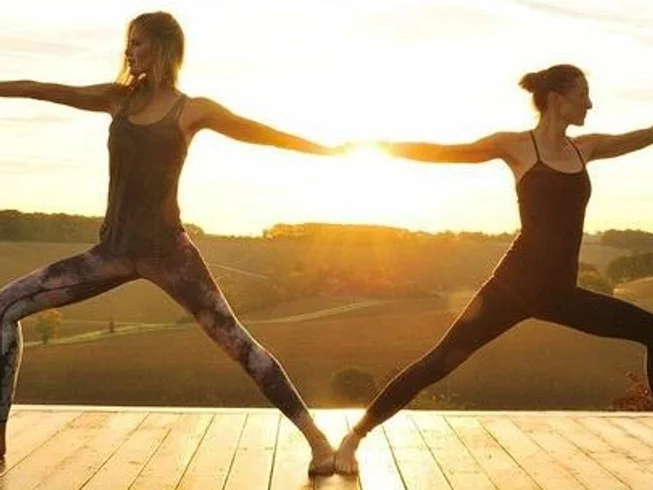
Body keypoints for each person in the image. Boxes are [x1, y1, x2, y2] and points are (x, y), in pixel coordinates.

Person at [0, 11, 337, 475]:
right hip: (112, 253)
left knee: (239, 344)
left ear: (163, 47)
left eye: (137, 42)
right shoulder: (117, 99)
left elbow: (260, 133)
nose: (128, 51)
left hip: (169, 255)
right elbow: (41, 89)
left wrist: (327, 149)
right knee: (3, 308)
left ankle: (318, 441)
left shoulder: (191, 110)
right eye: (128, 42)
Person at [334, 64, 653, 474]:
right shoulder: (516, 146)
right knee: (438, 362)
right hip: (512, 288)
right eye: (582, 94)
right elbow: (449, 152)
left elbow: (642, 136)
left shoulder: (585, 148)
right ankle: (354, 438)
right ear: (556, 99)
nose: (589, 104)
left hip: (561, 294)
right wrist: (379, 147)